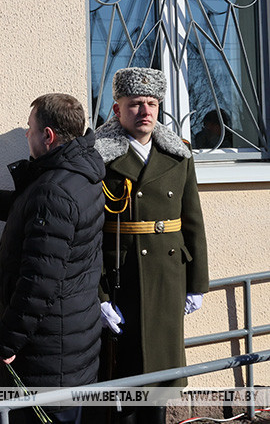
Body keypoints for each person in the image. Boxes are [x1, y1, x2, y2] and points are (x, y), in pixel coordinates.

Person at [0, 93, 105, 424]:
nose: (26, 134)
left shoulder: (55, 189)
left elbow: (39, 283)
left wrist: (4, 343)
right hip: (68, 343)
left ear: (48, 136)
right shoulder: (72, 173)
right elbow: (27, 209)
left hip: (49, 353)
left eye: (30, 128)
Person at [95, 67, 209, 424]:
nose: (144, 111)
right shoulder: (98, 156)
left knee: (161, 375)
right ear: (117, 110)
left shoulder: (178, 154)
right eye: (134, 104)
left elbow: (193, 220)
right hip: (120, 276)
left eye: (151, 103)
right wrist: (97, 295)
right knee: (122, 377)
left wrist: (197, 283)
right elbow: (88, 231)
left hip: (167, 275)